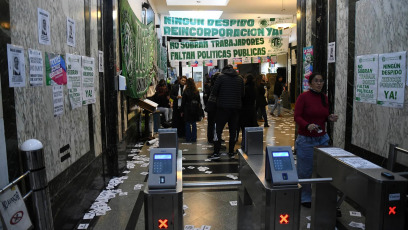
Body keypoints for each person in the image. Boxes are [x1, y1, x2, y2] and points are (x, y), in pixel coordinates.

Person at [294, 72, 338, 208]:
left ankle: (322, 195)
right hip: (306, 139)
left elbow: (323, 115)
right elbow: (297, 116)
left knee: (324, 169)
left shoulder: (324, 98)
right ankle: (305, 196)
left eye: (321, 81)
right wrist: (307, 125)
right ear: (310, 83)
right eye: (316, 81)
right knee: (305, 170)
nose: (319, 83)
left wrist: (329, 118)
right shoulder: (303, 97)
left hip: (322, 138)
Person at [208, 65, 244, 159]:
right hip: (236, 108)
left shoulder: (220, 77)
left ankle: (216, 152)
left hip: (222, 108)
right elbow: (242, 94)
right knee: (233, 131)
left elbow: (214, 91)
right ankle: (231, 151)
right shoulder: (240, 79)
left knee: (218, 130)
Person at [240, 73, 258, 150]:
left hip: (245, 111)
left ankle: (244, 144)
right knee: (251, 128)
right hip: (252, 110)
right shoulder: (254, 88)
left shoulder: (245, 88)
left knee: (245, 128)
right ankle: (251, 144)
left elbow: (242, 99)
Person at [205, 72, 220, 144]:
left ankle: (212, 137)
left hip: (210, 106)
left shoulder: (210, 86)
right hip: (214, 106)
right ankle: (213, 137)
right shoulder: (215, 87)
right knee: (213, 123)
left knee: (211, 123)